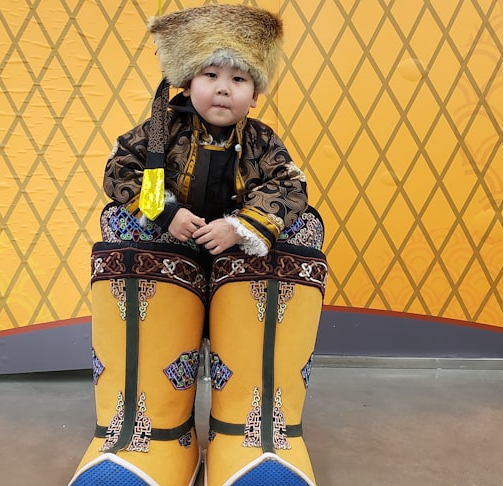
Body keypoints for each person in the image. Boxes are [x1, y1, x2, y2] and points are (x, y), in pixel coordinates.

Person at [69, 5, 327, 486]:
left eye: (239, 78)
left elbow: (291, 187)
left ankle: (250, 429)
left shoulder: (263, 141)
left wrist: (241, 226)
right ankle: (155, 431)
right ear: (187, 83)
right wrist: (165, 212)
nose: (224, 87)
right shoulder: (161, 131)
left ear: (255, 94)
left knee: (303, 226)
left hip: (237, 254)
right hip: (172, 248)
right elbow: (119, 171)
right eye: (210, 73)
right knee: (119, 224)